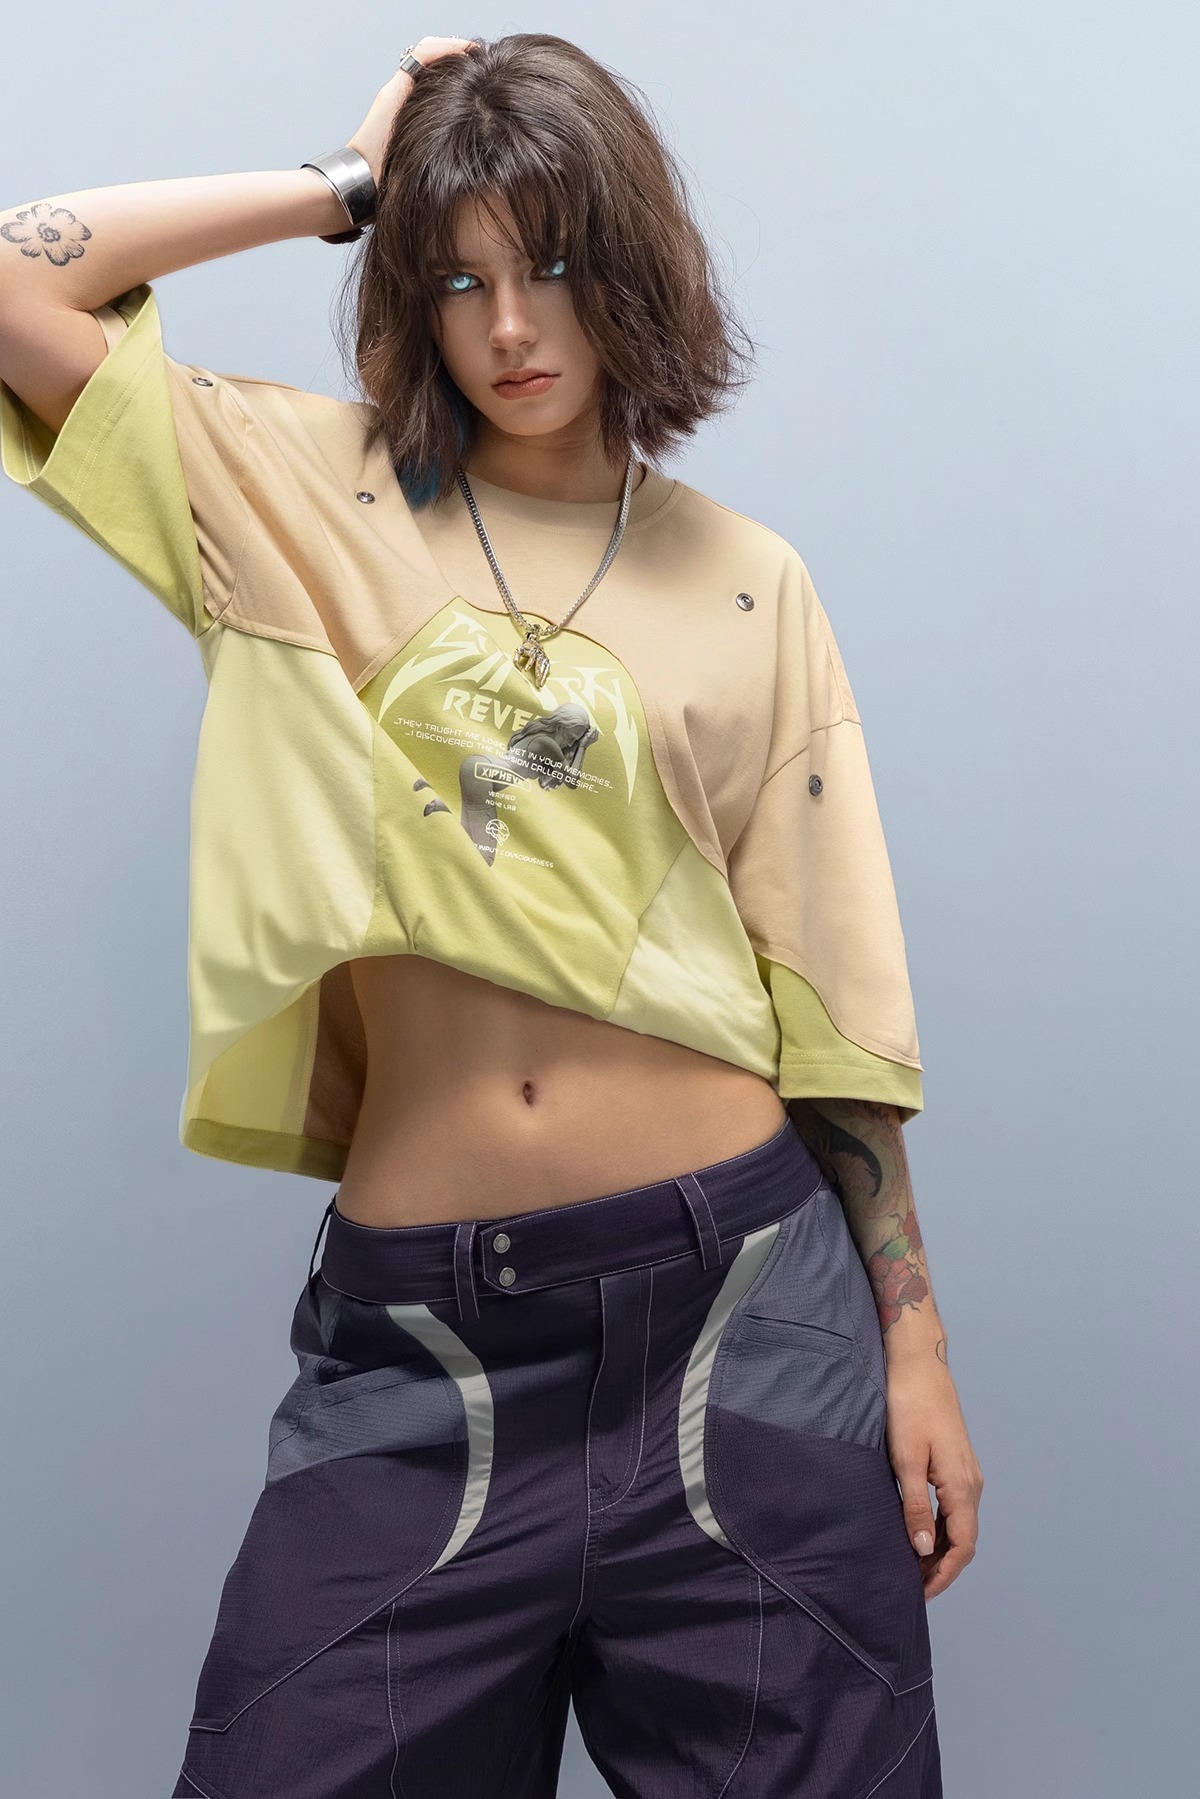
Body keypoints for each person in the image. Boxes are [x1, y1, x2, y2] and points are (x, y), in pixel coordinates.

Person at [0, 30, 982, 1798]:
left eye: (552, 266)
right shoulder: (293, 494)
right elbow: (11, 277)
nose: (511, 327)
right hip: (425, 1349)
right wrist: (342, 183)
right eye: (458, 279)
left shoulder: (750, 582)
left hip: (740, 1312)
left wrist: (914, 1339)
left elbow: (828, 998)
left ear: (633, 271)